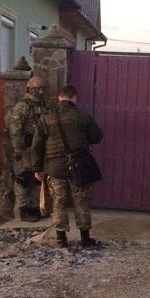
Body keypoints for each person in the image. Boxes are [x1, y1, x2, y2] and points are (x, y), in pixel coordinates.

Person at [32, 84, 103, 248]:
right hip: (79, 167)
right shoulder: (83, 115)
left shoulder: (46, 117)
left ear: (59, 97)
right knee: (82, 201)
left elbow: (37, 146)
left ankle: (61, 240)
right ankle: (85, 239)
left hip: (55, 168)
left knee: (59, 203)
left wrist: (37, 168)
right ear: (74, 98)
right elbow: (97, 137)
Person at [8, 75, 48, 221]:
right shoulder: (22, 106)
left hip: (38, 149)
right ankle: (23, 210)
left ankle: (35, 208)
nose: (41, 92)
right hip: (24, 149)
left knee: (37, 178)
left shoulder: (43, 105)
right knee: (22, 179)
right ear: (31, 89)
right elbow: (15, 129)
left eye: (43, 89)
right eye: (38, 89)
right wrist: (18, 148)